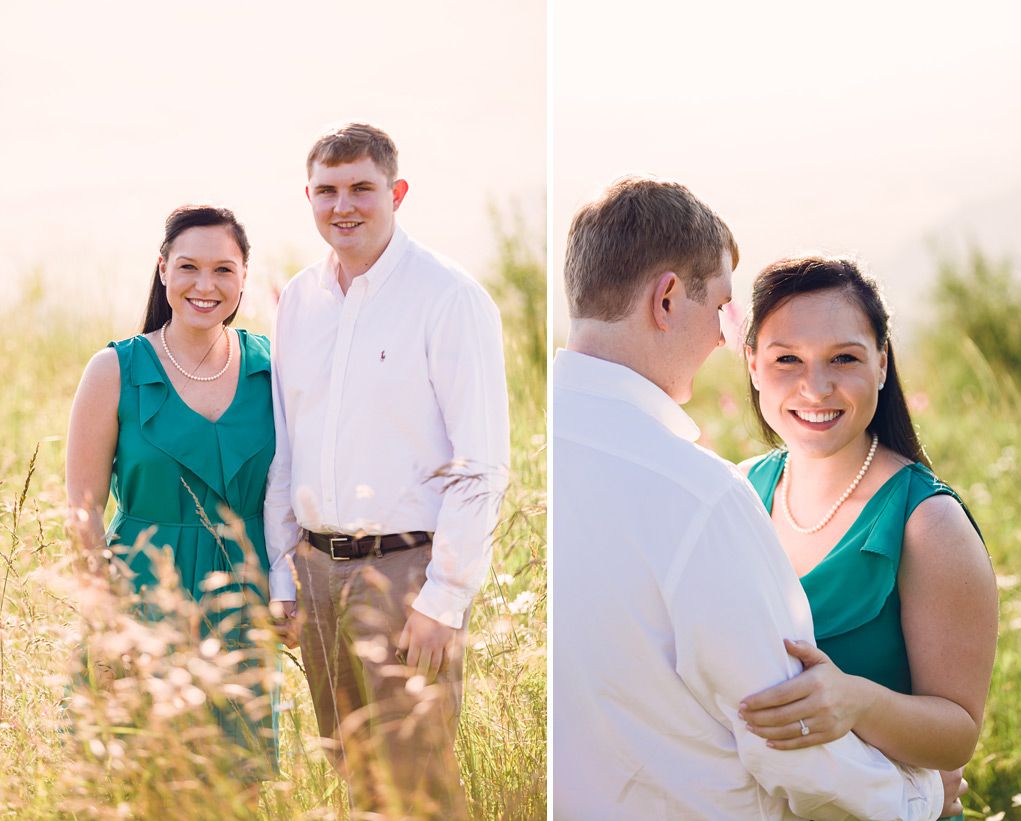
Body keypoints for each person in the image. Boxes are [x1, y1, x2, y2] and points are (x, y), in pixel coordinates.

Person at [554, 175, 962, 820]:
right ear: (666, 300)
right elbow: (774, 732)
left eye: (846, 358)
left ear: (884, 361)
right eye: (722, 309)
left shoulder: (529, 448)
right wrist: (918, 795)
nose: (720, 335)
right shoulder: (713, 496)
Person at [263, 122, 509, 819]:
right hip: (315, 571)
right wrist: (286, 572)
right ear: (308, 197)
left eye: (362, 188)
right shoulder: (299, 303)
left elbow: (481, 464)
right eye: (327, 190)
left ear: (396, 192)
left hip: (406, 576)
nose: (344, 205)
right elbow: (289, 447)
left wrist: (444, 597)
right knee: (355, 779)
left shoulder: (448, 297)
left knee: (419, 786)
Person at [736, 255, 999, 821]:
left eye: (844, 358)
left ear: (881, 363)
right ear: (753, 364)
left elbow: (957, 738)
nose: (816, 386)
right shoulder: (737, 492)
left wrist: (856, 702)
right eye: (787, 359)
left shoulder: (927, 523)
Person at [66, 204, 278, 771]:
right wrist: (106, 627)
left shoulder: (272, 370)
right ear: (163, 270)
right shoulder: (114, 370)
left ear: (243, 278)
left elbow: (289, 497)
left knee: (238, 785)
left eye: (223, 270)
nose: (204, 286)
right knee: (143, 780)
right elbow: (82, 513)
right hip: (141, 596)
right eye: (188, 267)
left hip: (241, 597)